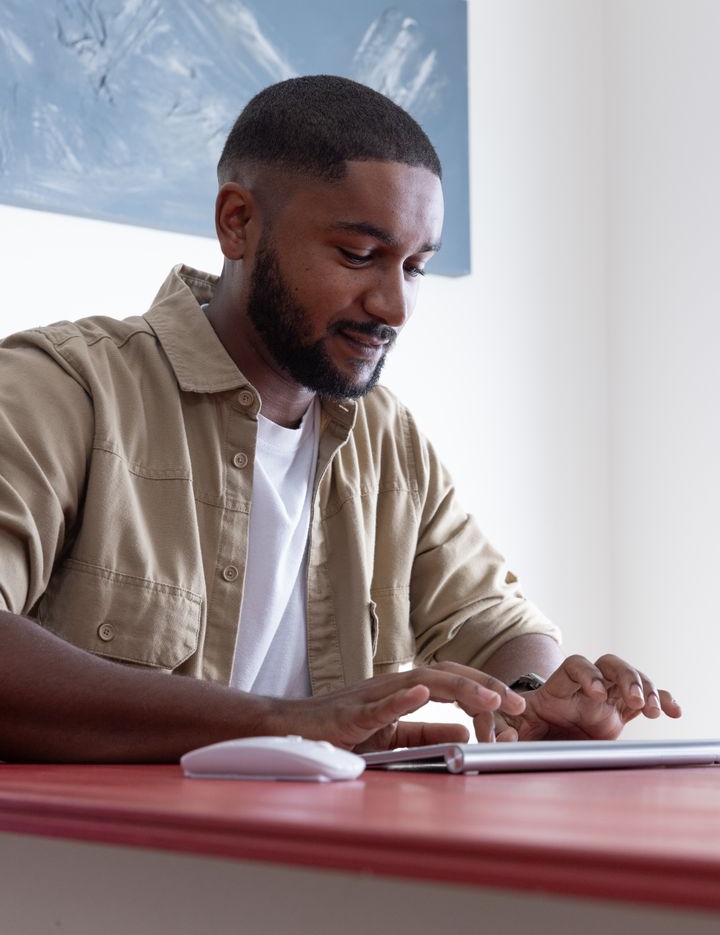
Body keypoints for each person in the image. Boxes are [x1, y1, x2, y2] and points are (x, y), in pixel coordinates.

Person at [0, 76, 680, 762]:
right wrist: (283, 721)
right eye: (359, 256)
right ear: (238, 223)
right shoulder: (63, 387)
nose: (395, 307)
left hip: (322, 864)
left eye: (415, 267)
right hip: (90, 865)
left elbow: (488, 619)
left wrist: (528, 700)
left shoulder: (386, 437)